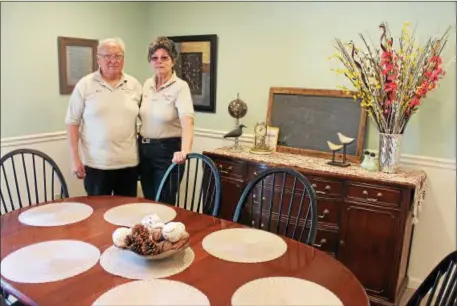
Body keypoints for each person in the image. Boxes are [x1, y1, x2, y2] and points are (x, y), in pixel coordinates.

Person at [65, 37, 142, 197]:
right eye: (108, 56)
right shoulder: (84, 85)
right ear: (98, 59)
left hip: (128, 165)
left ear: (123, 59)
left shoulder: (134, 85)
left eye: (118, 56)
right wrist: (75, 159)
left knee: (126, 214)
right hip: (96, 166)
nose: (113, 60)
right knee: (98, 217)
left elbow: (145, 119)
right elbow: (72, 122)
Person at [138, 36, 195, 204]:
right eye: (154, 58)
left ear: (173, 60)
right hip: (144, 151)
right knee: (148, 201)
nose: (159, 62)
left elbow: (188, 122)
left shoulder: (180, 87)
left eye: (164, 58)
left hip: (168, 152)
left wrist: (185, 151)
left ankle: (165, 231)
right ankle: (149, 232)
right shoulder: (147, 84)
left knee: (163, 203)